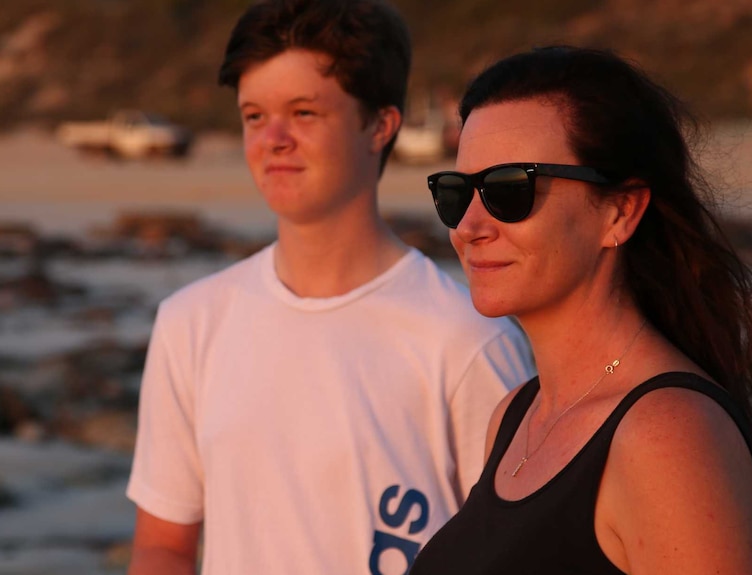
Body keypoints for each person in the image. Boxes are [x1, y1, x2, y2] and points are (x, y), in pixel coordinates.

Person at [125, 1, 535, 574]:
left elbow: (516, 553)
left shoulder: (468, 340)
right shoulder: (191, 321)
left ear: (380, 124)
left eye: (303, 112)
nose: (273, 139)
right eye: (252, 116)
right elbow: (162, 545)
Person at [411, 46, 752, 575]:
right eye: (457, 193)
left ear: (620, 212)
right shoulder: (514, 418)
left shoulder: (666, 436)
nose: (468, 227)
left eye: (510, 190)